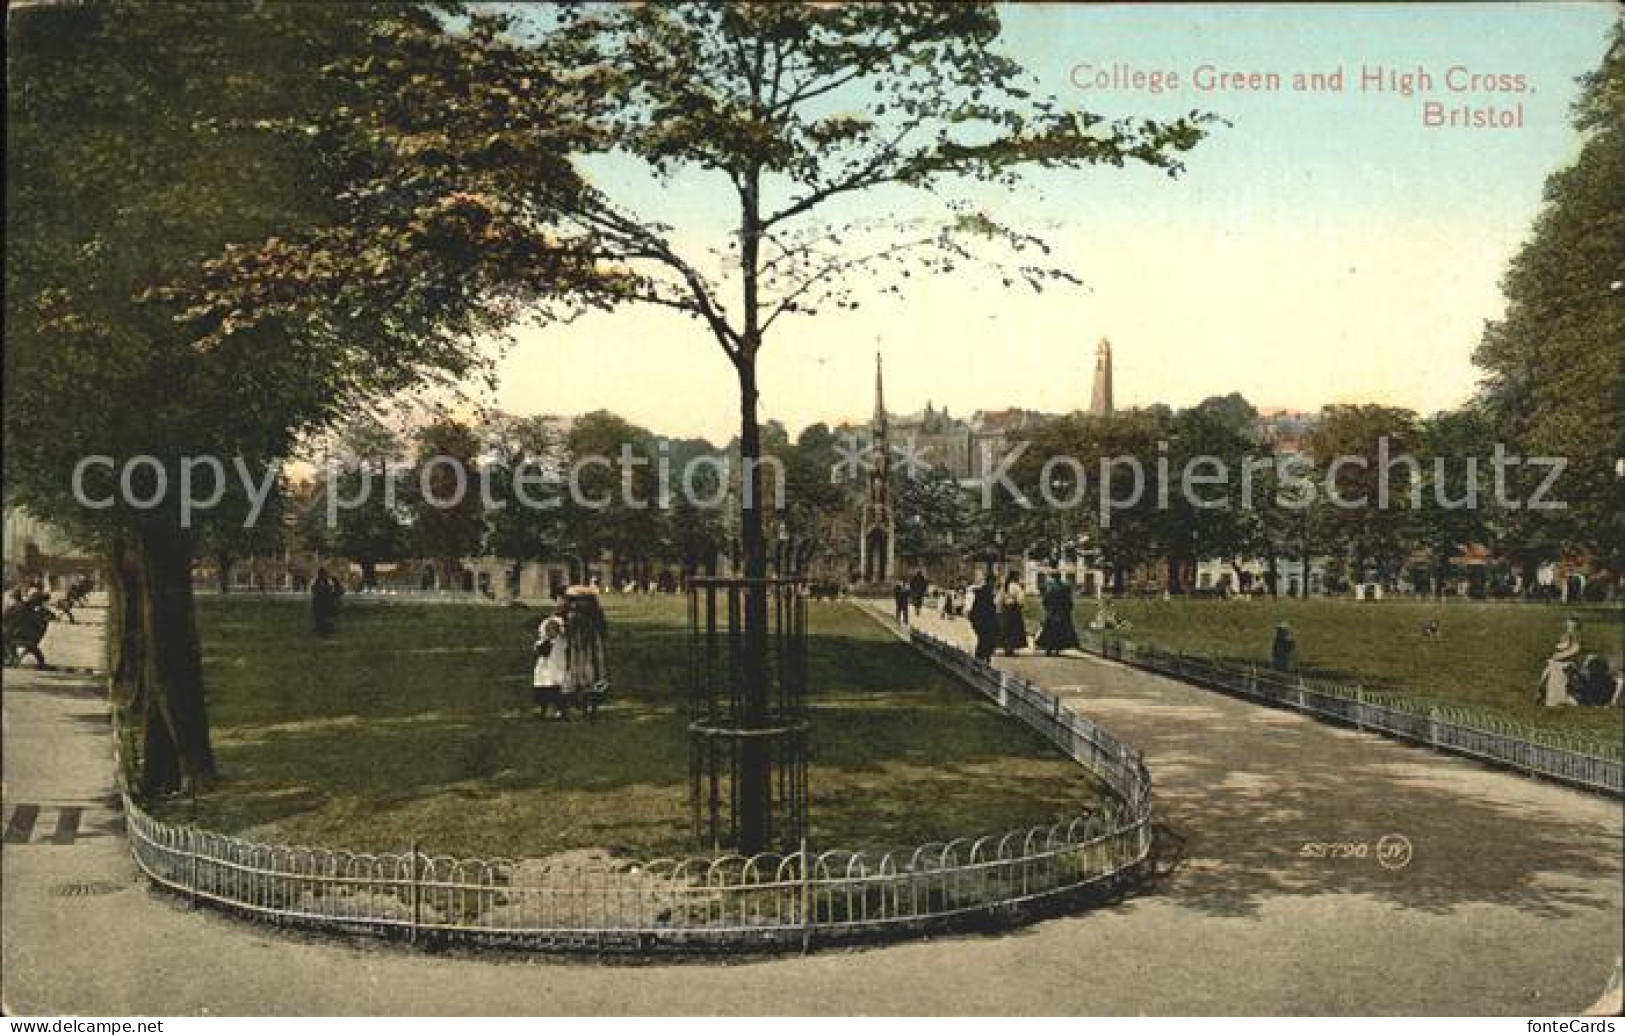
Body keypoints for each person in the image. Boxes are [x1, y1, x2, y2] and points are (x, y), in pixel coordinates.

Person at [562, 586, 610, 719]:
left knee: (592, 676)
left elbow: (601, 631)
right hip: (575, 651)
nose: (577, 604)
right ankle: (580, 705)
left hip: (589, 650)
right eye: (573, 600)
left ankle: (590, 706)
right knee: (576, 676)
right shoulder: (570, 617)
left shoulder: (592, 620)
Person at [1537, 618, 1583, 707]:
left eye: (1571, 627)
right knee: (1547, 672)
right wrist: (1553, 657)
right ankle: (1545, 694)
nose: (1569, 629)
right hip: (1559, 664)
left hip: (1568, 665)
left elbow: (1573, 651)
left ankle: (1557, 697)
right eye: (1568, 627)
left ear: (1576, 628)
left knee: (1553, 671)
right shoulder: (1565, 637)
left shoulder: (1576, 639)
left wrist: (1555, 657)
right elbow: (1558, 649)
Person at [531, 617, 569, 719]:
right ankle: (543, 709)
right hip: (544, 671)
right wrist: (546, 641)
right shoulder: (542, 642)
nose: (551, 632)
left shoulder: (562, 641)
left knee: (557, 691)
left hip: (558, 669)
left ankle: (559, 710)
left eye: (554, 629)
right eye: (549, 629)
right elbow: (540, 651)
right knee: (543, 690)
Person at [1035, 572, 1081, 656]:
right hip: (1062, 612)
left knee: (1050, 630)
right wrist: (1068, 608)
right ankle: (1057, 648)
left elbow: (1046, 599)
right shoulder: (1065, 587)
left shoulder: (1051, 588)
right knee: (1060, 630)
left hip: (1053, 611)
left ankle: (1049, 648)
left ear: (1053, 578)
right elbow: (1068, 600)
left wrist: (1047, 607)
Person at [968, 578, 999, 662]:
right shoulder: (987, 593)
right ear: (989, 582)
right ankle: (982, 658)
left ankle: (982, 658)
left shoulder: (982, 592)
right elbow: (990, 609)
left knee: (984, 640)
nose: (994, 585)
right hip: (984, 620)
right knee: (986, 639)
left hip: (979, 620)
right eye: (993, 583)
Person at [998, 576, 1027, 656]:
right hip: (1014, 609)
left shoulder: (1004, 587)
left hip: (1006, 609)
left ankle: (1007, 647)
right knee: (1014, 629)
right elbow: (1020, 600)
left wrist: (1000, 609)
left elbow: (999, 599)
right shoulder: (1016, 587)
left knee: (1006, 629)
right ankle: (1011, 648)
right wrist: (1020, 606)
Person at [311, 566, 342, 635]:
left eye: (323, 573)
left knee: (328, 616)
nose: (323, 575)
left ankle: (328, 628)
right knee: (321, 616)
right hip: (321, 602)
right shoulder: (317, 581)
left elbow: (339, 590)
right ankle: (321, 628)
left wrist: (334, 595)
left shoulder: (331, 580)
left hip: (328, 601)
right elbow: (314, 590)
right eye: (321, 574)